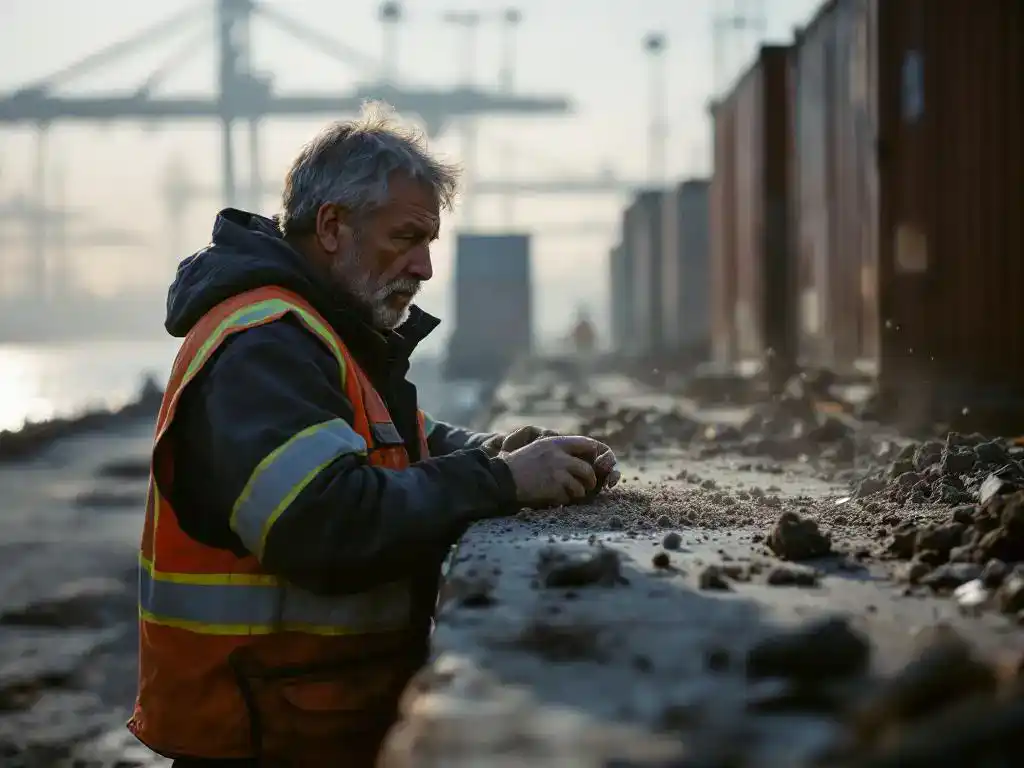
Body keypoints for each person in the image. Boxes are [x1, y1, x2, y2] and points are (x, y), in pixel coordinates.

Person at [128, 102, 619, 768]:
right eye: (405, 238)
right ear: (332, 226)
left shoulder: (324, 329)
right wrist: (502, 480)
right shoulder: (264, 344)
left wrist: (494, 450)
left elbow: (401, 440)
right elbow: (324, 522)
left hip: (308, 714)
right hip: (265, 733)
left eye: (429, 244)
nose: (423, 267)